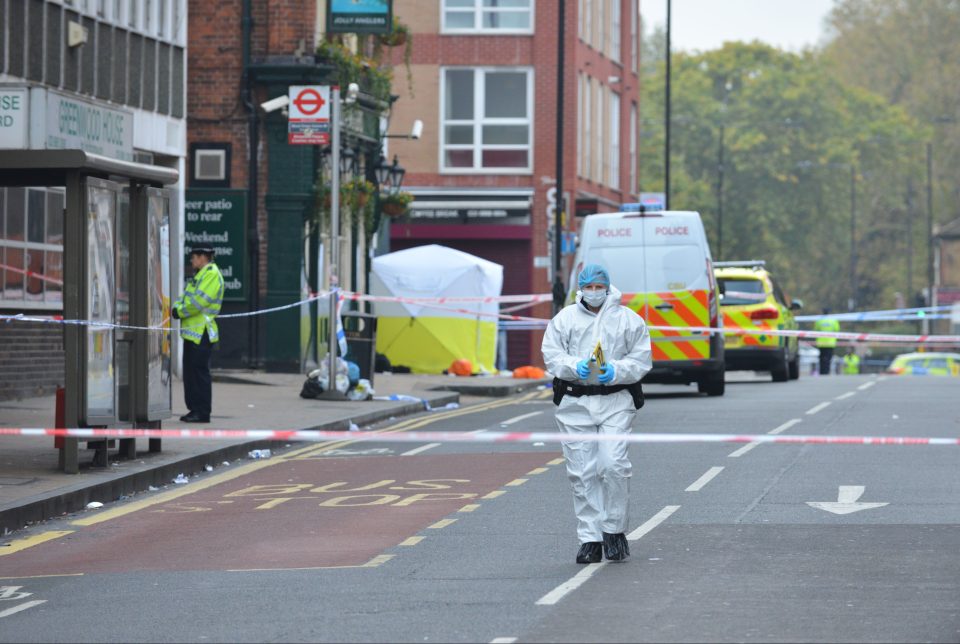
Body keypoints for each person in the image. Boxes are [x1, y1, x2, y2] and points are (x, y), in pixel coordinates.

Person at [542, 264, 652, 564]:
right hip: (575, 402)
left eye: (598, 286)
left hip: (616, 400)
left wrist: (615, 370)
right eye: (588, 287)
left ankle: (614, 530)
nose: (594, 291)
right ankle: (590, 538)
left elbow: (642, 360)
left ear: (607, 286)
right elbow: (552, 355)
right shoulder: (564, 319)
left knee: (613, 464)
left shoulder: (628, 320)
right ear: (580, 288)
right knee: (582, 471)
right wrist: (572, 366)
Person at [172, 245, 224, 423]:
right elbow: (186, 298)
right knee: (191, 373)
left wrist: (179, 312)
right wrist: (178, 307)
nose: (191, 260)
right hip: (192, 333)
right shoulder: (200, 275)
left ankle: (202, 412)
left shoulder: (211, 274)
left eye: (194, 257)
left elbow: (198, 302)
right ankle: (194, 409)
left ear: (203, 257)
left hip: (201, 332)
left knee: (199, 374)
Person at [813, 308, 840, 375]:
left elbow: (815, 329)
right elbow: (837, 329)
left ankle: (822, 371)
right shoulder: (833, 320)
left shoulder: (819, 320)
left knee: (821, 358)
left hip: (821, 342)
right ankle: (827, 371)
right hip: (830, 343)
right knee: (828, 358)